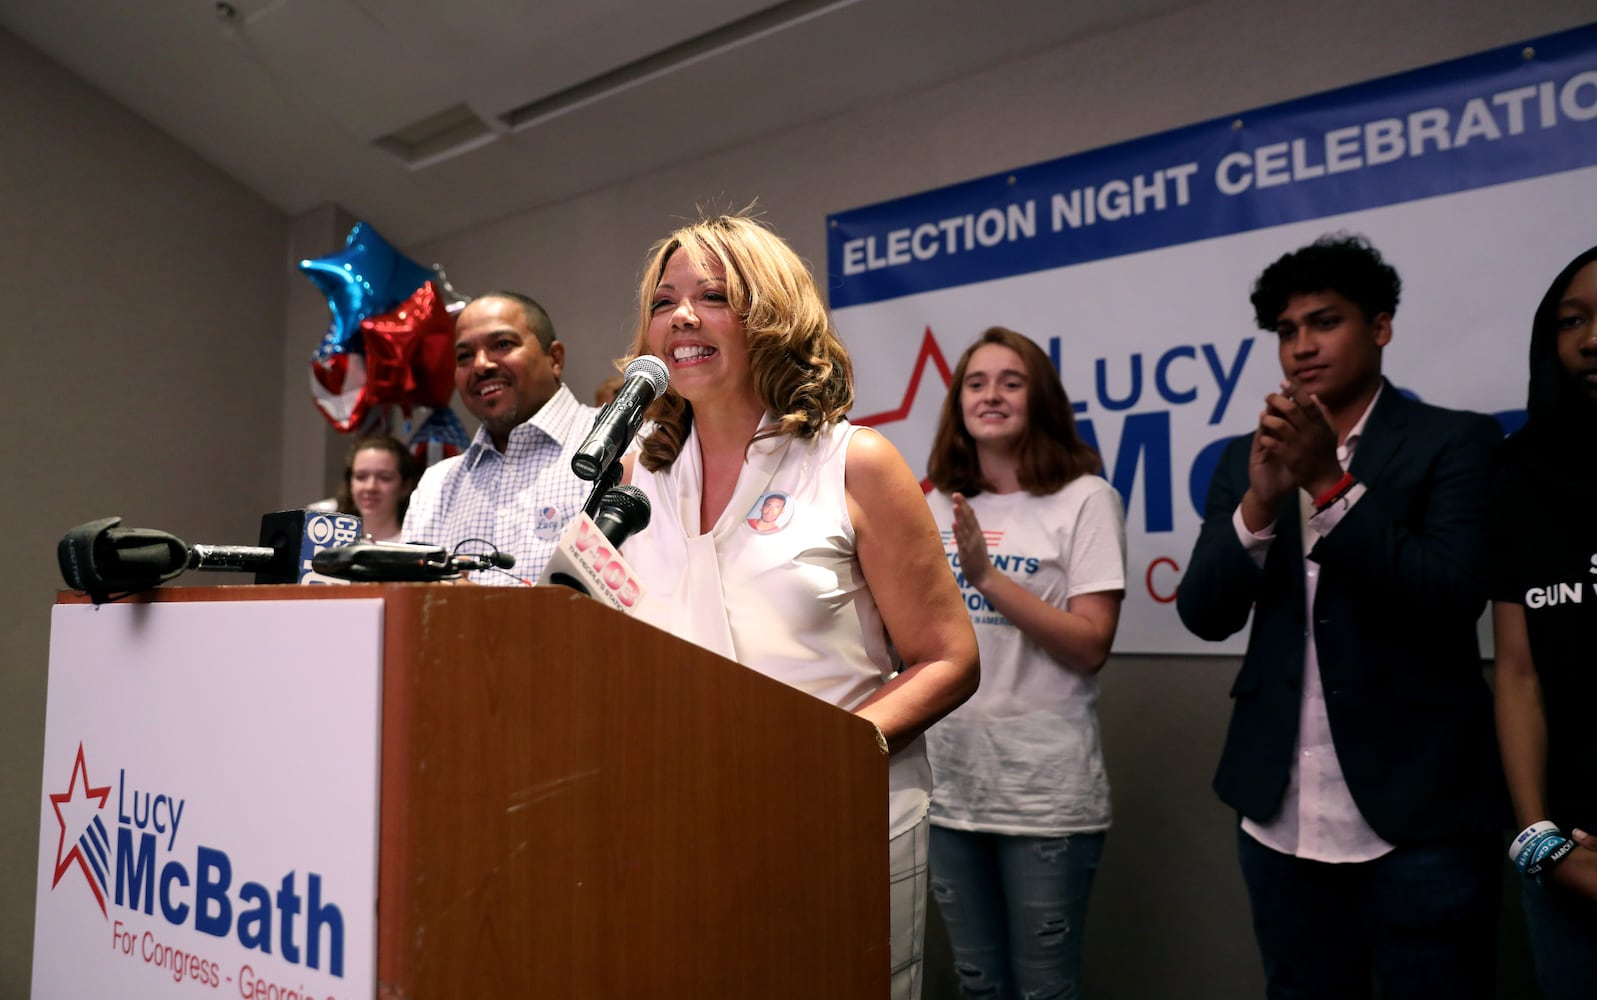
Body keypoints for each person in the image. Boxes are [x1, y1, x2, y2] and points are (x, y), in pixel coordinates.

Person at [617, 213, 979, 999]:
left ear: (771, 315)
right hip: (679, 820)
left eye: (712, 295)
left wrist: (818, 758)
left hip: (835, 820)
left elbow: (948, 658)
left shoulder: (854, 462)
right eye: (663, 301)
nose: (680, 316)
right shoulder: (635, 478)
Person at [1174, 234, 1505, 1000]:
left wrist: (1325, 480)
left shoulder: (1453, 441)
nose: (1300, 347)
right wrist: (1259, 499)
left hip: (1419, 812)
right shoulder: (1243, 457)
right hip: (1278, 810)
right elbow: (1203, 614)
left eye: (1323, 322)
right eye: (1285, 332)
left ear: (1380, 326)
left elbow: (1449, 593)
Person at [922, 327, 1126, 1000]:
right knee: (976, 984)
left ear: (1039, 399)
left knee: (1043, 990)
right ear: (958, 404)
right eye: (975, 382)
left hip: (1043, 793)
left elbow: (1090, 645)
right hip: (949, 787)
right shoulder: (933, 506)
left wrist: (986, 579)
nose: (991, 395)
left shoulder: (1083, 498)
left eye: (1011, 381)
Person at [1483, 245, 1597, 999]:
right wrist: (1538, 843)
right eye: (1570, 320)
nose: (1588, 338)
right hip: (1569, 854)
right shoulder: (1517, 472)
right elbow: (1516, 674)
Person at [402, 291, 600, 581]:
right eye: (464, 356)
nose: (481, 365)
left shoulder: (623, 444)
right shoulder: (436, 486)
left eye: (502, 344)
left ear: (555, 358)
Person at [334, 435, 421, 542]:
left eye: (384, 478)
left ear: (405, 486)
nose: (370, 487)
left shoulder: (416, 546)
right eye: (361, 477)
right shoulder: (330, 543)